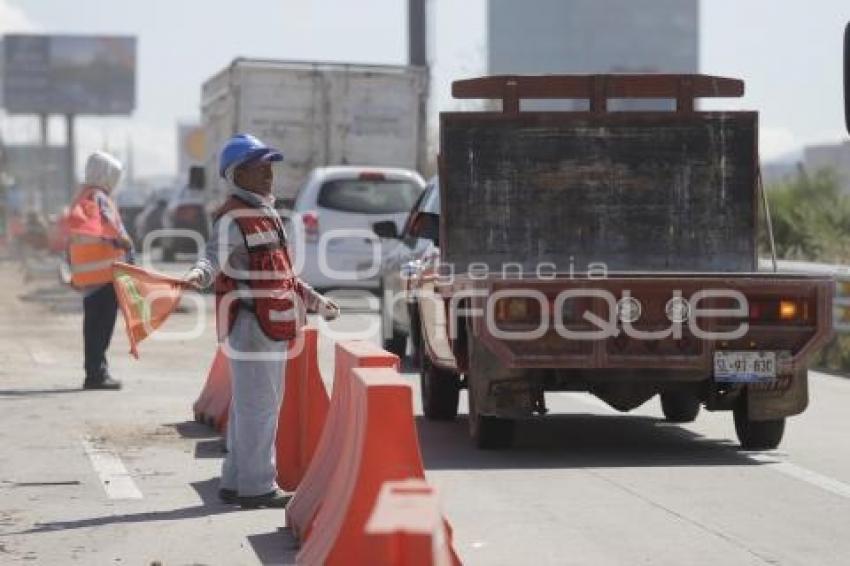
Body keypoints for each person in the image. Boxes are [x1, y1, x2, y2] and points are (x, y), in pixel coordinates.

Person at [183, 134, 339, 509]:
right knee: (260, 409)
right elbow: (211, 257)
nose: (269, 174)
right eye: (259, 168)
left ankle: (236, 480)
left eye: (270, 167)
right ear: (238, 174)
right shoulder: (235, 218)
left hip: (270, 325)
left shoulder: (265, 214)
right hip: (252, 327)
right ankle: (257, 487)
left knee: (249, 407)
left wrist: (315, 300)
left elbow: (283, 274)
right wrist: (197, 275)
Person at [70, 151, 133, 390]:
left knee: (93, 327)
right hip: (104, 274)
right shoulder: (99, 198)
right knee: (101, 327)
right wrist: (125, 242)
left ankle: (94, 372)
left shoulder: (84, 197)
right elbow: (109, 229)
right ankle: (96, 374)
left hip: (89, 275)